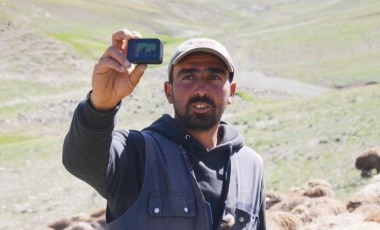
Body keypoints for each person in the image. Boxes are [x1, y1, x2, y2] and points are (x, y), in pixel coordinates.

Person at [63, 28, 266, 230]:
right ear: (168, 92)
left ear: (231, 92)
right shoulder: (136, 153)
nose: (201, 89)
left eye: (214, 77)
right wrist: (101, 104)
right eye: (188, 77)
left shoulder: (251, 165)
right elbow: (81, 161)